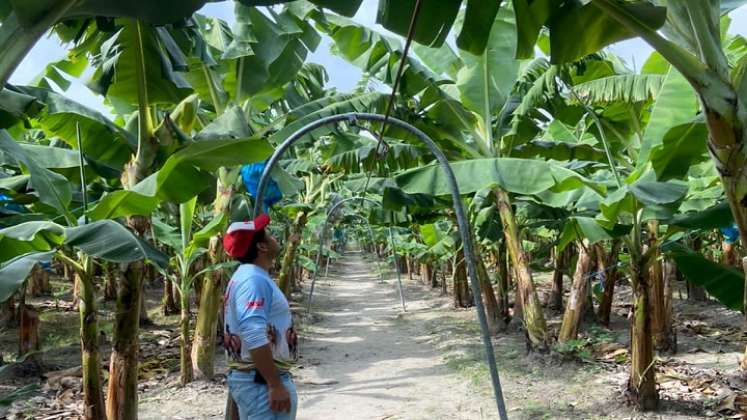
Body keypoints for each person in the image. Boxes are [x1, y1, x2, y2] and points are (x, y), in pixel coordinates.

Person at [222, 214, 298, 420]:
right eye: (270, 235)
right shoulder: (253, 280)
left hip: (258, 380)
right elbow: (254, 334)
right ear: (262, 247)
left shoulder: (248, 276)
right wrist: (274, 384)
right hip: (260, 383)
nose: (275, 238)